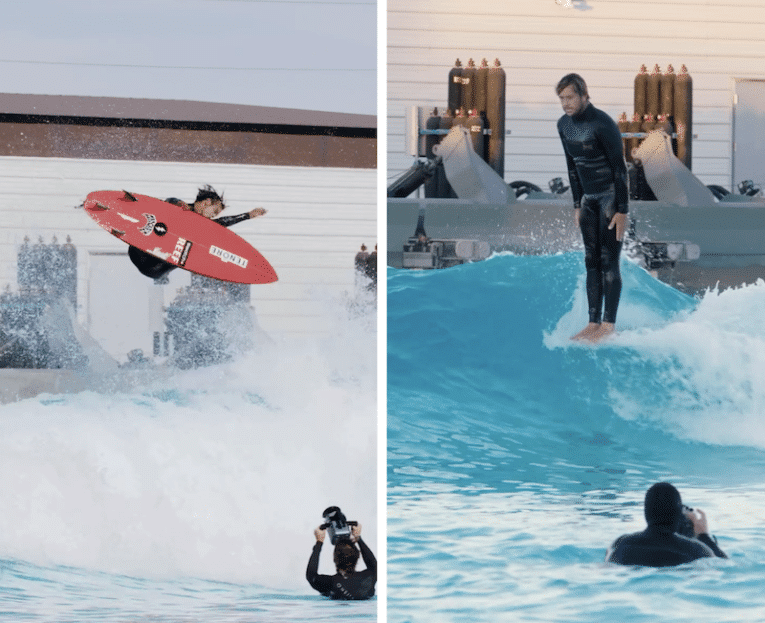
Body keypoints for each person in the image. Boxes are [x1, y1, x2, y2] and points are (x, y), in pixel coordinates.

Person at [556, 73, 629, 342]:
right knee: (591, 261)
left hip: (610, 199)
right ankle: (592, 322)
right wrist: (577, 203)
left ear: (584, 95)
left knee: (609, 261)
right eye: (562, 98)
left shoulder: (603, 124)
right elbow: (572, 167)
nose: (566, 103)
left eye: (570, 97)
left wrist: (623, 209)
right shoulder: (563, 125)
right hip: (588, 200)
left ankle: (608, 325)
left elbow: (620, 170)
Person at [127, 185, 267, 281]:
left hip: (155, 269)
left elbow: (221, 223)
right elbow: (169, 201)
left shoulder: (202, 226)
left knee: (194, 242)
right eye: (215, 211)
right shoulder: (178, 204)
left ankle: (164, 274)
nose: (214, 216)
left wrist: (247, 215)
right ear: (207, 202)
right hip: (138, 252)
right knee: (175, 213)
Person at [606, 482, 728, 567]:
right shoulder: (698, 551)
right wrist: (703, 536)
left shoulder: (620, 545)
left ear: (646, 512)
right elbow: (723, 567)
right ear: (677, 514)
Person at [306, 522, 377, 600]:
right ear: (357, 557)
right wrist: (358, 538)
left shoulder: (330, 583)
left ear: (334, 559)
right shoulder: (369, 578)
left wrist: (319, 542)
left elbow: (311, 576)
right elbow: (374, 565)